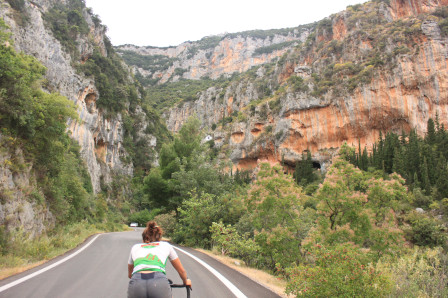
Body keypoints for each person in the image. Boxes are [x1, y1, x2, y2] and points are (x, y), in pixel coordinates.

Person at [127, 221, 192, 298]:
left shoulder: (136, 247)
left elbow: (130, 274)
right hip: (158, 282)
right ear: (159, 238)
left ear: (144, 239)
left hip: (137, 283)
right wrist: (185, 281)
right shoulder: (165, 245)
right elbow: (181, 271)